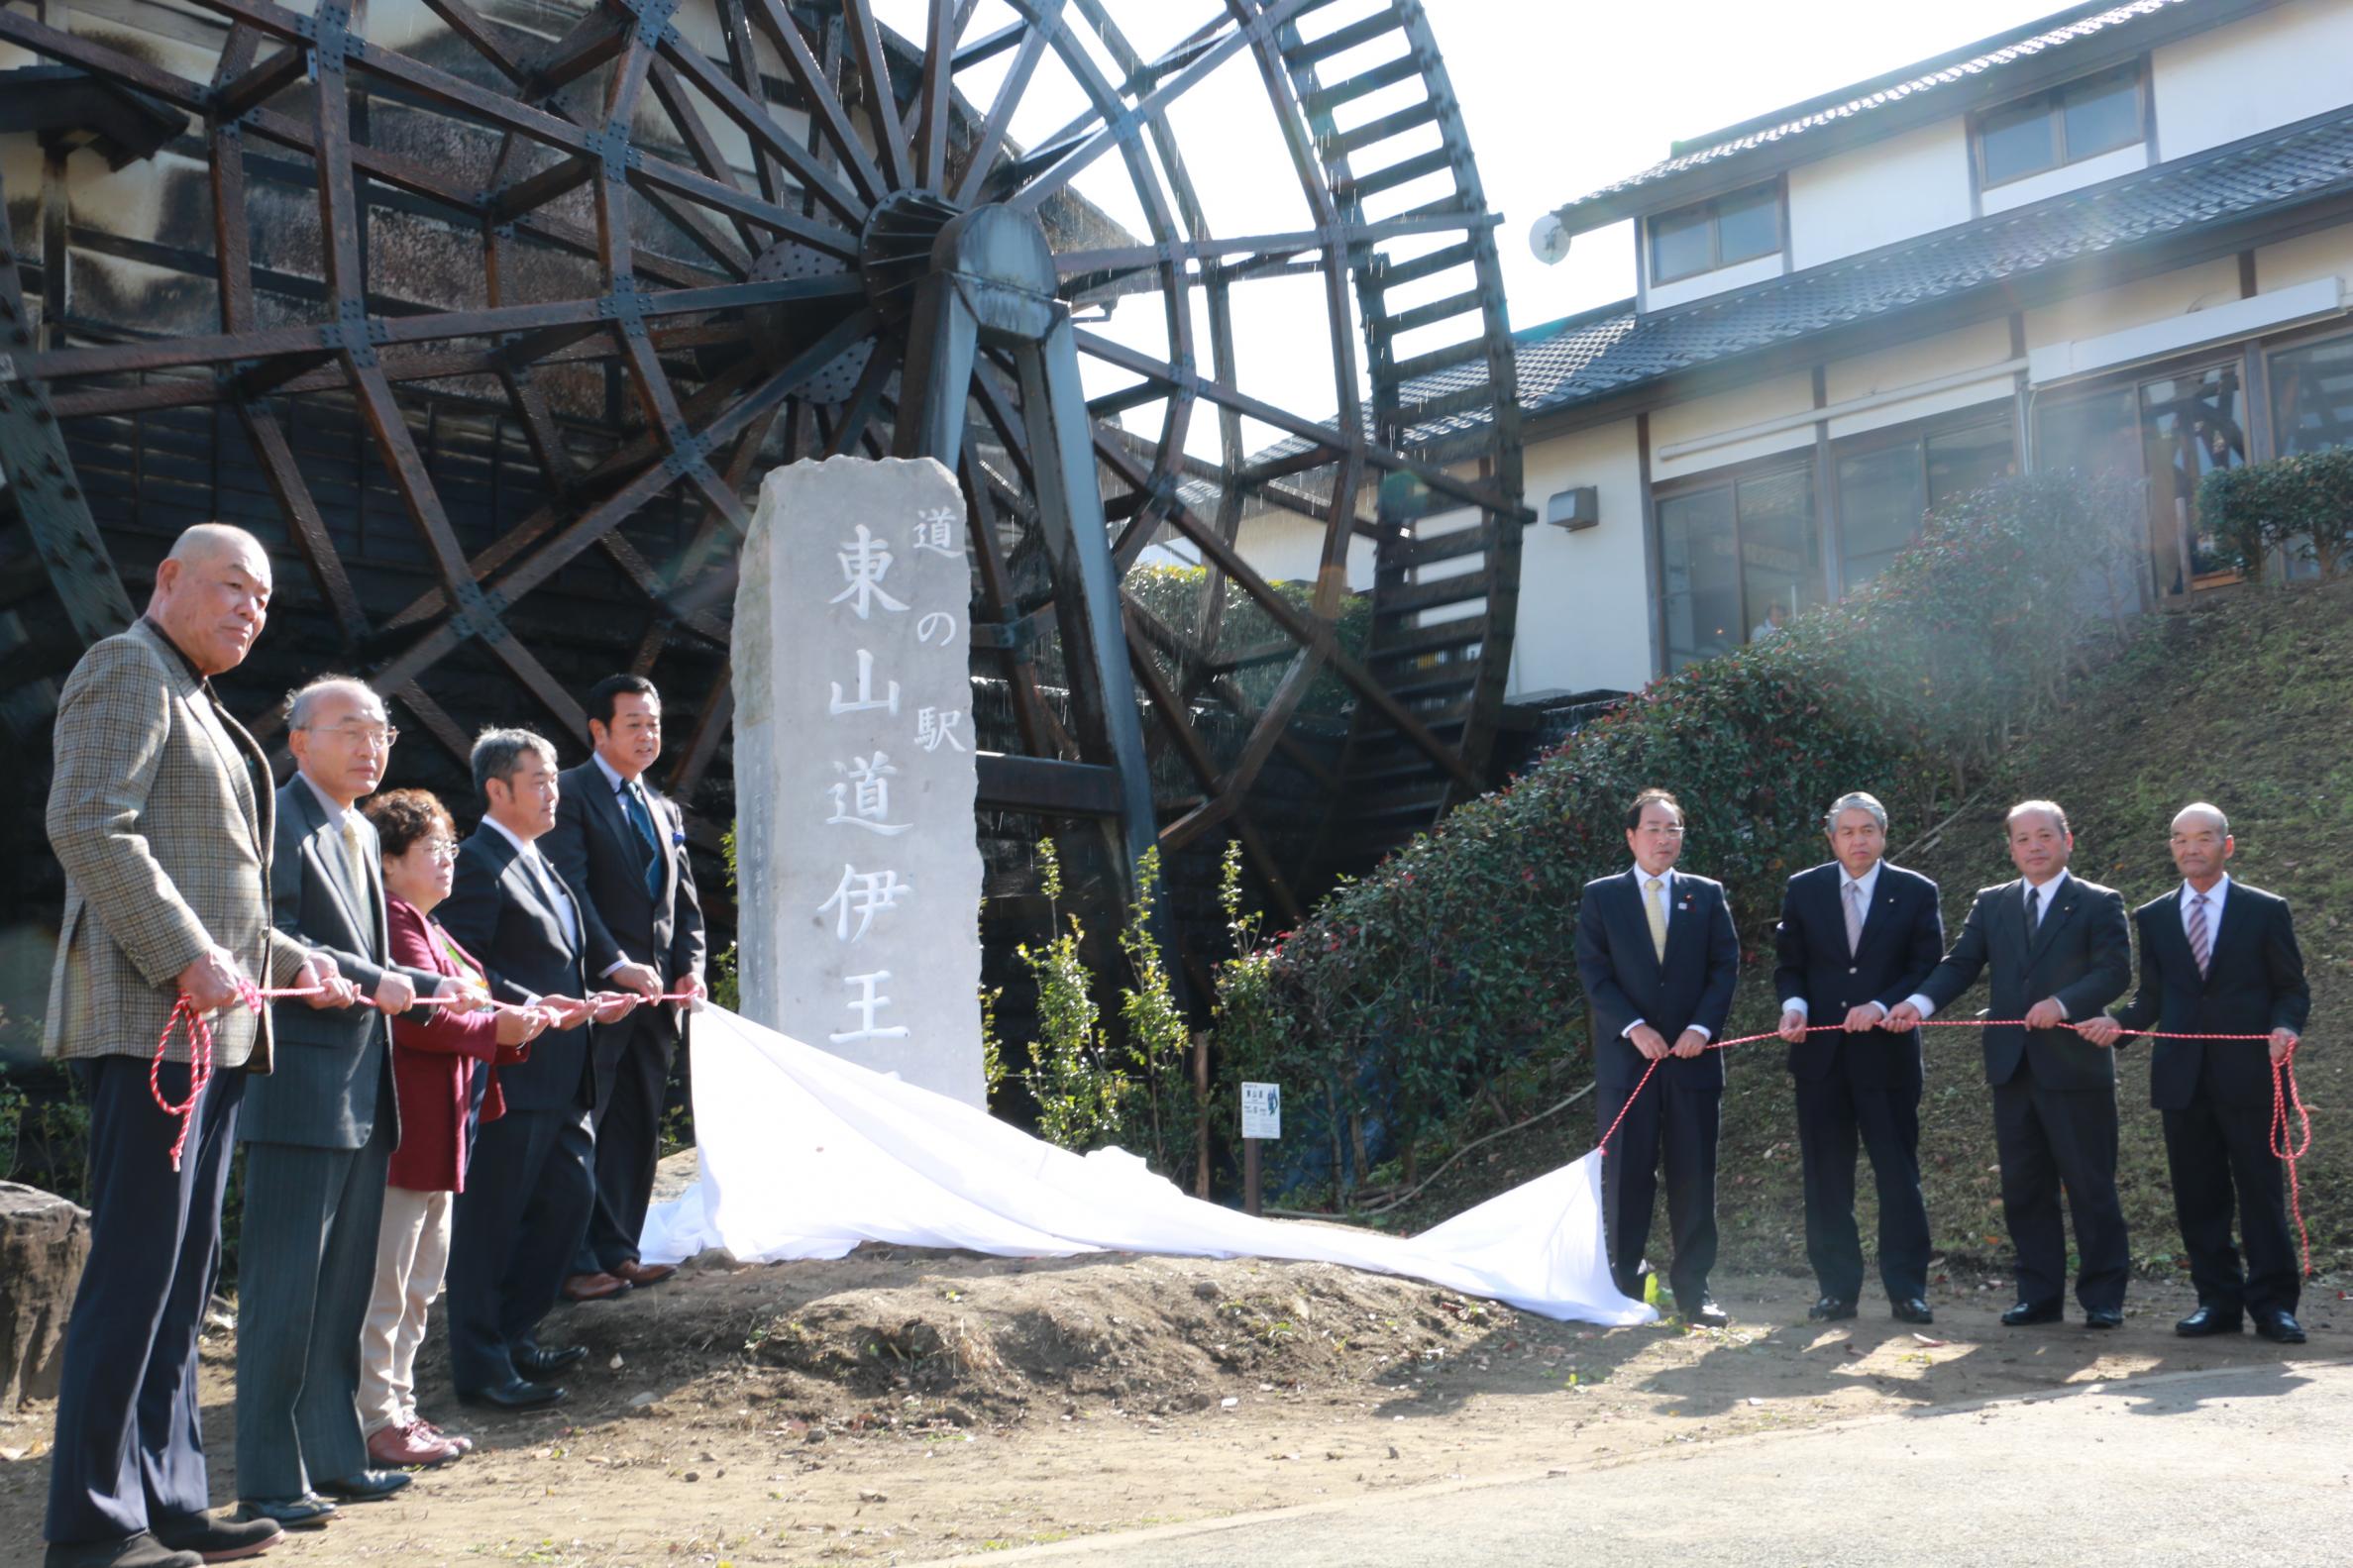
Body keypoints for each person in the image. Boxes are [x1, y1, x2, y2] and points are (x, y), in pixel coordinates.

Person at [43, 523, 354, 1568]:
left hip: (214, 1033)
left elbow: (227, 894)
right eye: (230, 587)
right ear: (166, 577)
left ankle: (170, 1502)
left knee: (181, 1279)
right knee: (134, 1273)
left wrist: (299, 957)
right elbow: (89, 824)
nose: (248, 611)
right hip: (149, 1025)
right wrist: (183, 956)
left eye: (261, 601)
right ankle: (92, 1525)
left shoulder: (200, 701)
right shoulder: (124, 667)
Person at [234, 679, 458, 1527]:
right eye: (350, 729)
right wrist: (378, 979)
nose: (372, 745)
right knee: (283, 1290)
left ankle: (332, 1456)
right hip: (299, 1086)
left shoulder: (362, 828)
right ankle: (267, 1473)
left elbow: (372, 956)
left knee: (340, 1292)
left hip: (365, 1085)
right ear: (298, 741)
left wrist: (431, 984)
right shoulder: (279, 818)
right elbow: (270, 930)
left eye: (382, 730)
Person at [437, 729, 636, 1411]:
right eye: (539, 780)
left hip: (563, 1071)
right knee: (490, 1221)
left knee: (567, 1206)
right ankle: (481, 1363)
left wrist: (594, 997)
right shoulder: (477, 862)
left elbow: (562, 959)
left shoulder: (541, 859)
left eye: (554, 777)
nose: (554, 791)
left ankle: (514, 1333)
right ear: (497, 790)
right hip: (512, 1075)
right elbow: (462, 968)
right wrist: (533, 1004)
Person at [359, 789, 552, 1465]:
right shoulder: (394, 919)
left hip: (444, 1130)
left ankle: (401, 1410)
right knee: (391, 1284)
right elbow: (425, 1020)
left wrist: (522, 1019)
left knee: (418, 1285)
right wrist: (498, 1026)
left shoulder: (427, 922)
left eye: (449, 846)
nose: (447, 860)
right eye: (431, 849)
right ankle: (376, 1419)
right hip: (410, 1131)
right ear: (386, 863)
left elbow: (468, 1006)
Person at [1887, 800, 2132, 1328]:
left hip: (2076, 1069)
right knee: (2025, 1186)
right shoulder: (1992, 903)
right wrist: (1918, 1004)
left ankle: (2103, 1298)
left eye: (2045, 835)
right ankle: (2038, 1295)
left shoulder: (2098, 901)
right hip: (2012, 1067)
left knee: (2090, 1185)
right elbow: (1961, 964)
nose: (2035, 846)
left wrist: (2063, 1004)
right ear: (2011, 848)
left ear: (2068, 841)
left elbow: (2115, 972)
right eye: (2023, 839)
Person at [2079, 804, 2310, 1343]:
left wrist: (2286, 1028)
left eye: (2203, 838)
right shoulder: (2155, 915)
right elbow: (2154, 996)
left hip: (2252, 1073)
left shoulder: (2265, 910)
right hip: (2182, 1077)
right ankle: (2217, 1301)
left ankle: (2274, 1304)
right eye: (2180, 839)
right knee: (2198, 1195)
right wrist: (2119, 1025)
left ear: (2227, 846)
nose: (2191, 848)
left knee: (2261, 1193)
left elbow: (2291, 989)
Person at [542, 676, 707, 1304]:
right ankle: (576, 1260)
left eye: (655, 723)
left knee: (639, 1127)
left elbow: (685, 907)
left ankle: (621, 1250)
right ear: (599, 731)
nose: (648, 735)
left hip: (658, 1002)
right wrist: (614, 965)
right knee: (585, 1125)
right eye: (634, 723)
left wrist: (690, 967)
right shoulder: (573, 795)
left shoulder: (663, 809)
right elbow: (572, 891)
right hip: (597, 996)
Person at [1773, 791, 1945, 1325]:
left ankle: (1907, 1290)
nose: (1858, 840)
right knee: (1827, 1179)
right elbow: (1790, 965)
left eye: (1867, 829)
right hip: (1819, 1058)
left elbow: (1926, 965)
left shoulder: (1916, 891)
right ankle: (1837, 1290)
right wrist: (1794, 1006)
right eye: (1846, 831)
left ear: (1883, 833)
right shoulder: (1804, 889)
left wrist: (1883, 1003)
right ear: (1832, 839)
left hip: (1887, 1058)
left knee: (1897, 1175)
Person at [1573, 788, 1740, 1327]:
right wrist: (1634, 1027)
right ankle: (1624, 1285)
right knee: (1627, 1176)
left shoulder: (1706, 895)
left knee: (1694, 1175)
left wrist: (1699, 1028)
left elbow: (1725, 968)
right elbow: (1595, 974)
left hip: (1692, 1060)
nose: (1664, 839)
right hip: (1628, 1063)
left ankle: (1695, 1290)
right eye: (1654, 829)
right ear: (1631, 836)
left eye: (1674, 830)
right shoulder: (1602, 896)